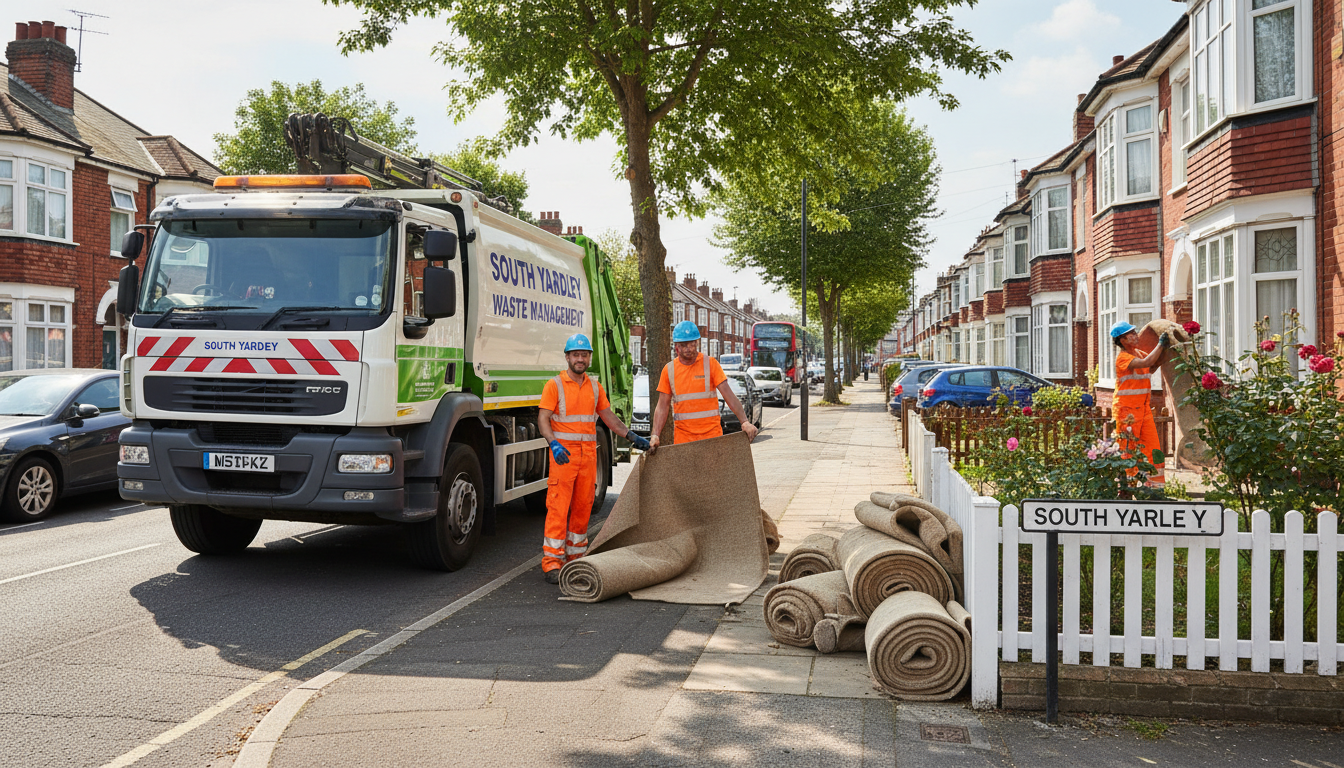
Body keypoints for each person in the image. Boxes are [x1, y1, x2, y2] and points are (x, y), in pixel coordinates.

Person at [537, 333, 651, 584]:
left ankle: (574, 557)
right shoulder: (554, 385)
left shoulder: (594, 386)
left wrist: (632, 436)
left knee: (582, 508)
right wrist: (553, 443)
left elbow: (608, 417)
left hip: (588, 458)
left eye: (584, 355)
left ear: (589, 358)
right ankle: (552, 562)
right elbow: (543, 419)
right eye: (576, 355)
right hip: (563, 457)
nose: (580, 359)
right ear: (567, 357)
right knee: (558, 507)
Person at [647, 321, 758, 455]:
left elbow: (728, 395)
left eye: (692, 344)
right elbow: (662, 406)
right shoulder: (669, 370)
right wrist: (655, 435)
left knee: (712, 475)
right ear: (676, 346)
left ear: (697, 342)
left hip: (711, 437)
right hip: (684, 440)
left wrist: (744, 421)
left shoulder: (710, 364)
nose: (689, 348)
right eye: (684, 345)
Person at [1110, 321, 1169, 489]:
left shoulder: (1137, 353)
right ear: (1122, 340)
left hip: (1143, 409)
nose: (1136, 336)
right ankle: (1127, 487)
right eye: (1132, 334)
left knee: (1152, 447)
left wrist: (1166, 348)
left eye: (1135, 332)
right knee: (1128, 448)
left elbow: (1153, 364)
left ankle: (1154, 487)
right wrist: (1160, 344)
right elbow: (1146, 363)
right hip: (1126, 411)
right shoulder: (1123, 358)